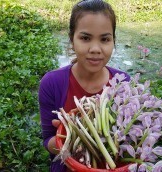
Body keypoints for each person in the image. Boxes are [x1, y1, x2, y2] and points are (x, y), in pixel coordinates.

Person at [38, 0, 131, 171]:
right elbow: (47, 141)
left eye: (104, 39)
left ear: (113, 42)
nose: (95, 48)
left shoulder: (123, 83)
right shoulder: (51, 83)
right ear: (72, 40)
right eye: (85, 38)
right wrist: (70, 135)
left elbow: (129, 141)